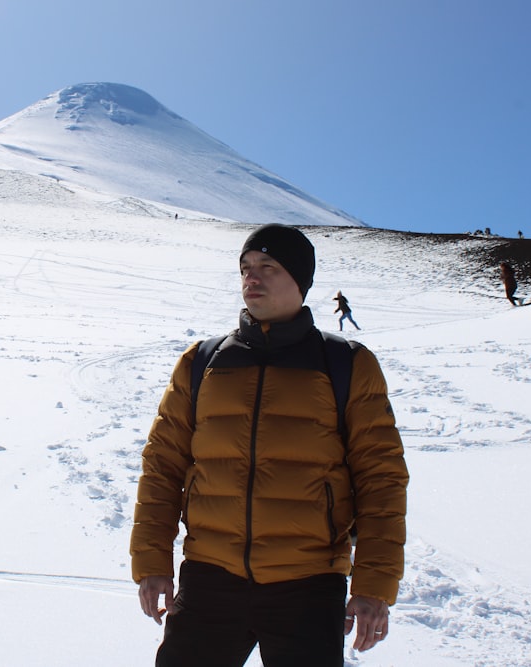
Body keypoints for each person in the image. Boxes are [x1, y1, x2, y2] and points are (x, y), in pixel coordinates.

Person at [130, 223, 409, 666]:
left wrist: (373, 586)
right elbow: (162, 467)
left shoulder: (346, 364)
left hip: (308, 586)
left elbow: (382, 481)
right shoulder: (201, 362)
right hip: (210, 580)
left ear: (300, 280)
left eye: (267, 266)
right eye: (245, 268)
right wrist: (152, 562)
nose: (251, 278)